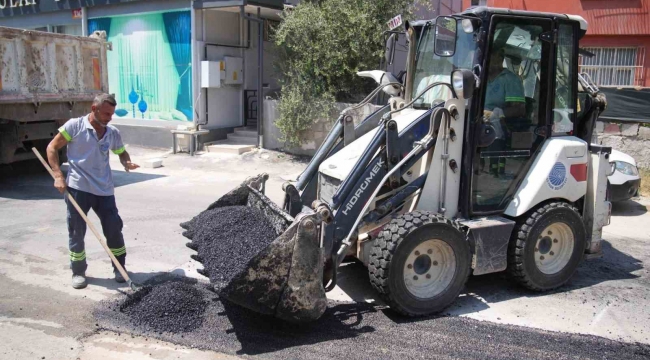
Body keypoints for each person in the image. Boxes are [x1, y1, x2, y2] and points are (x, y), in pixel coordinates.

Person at [46, 93, 139, 289]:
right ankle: (78, 271)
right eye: (106, 113)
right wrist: (58, 175)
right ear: (94, 109)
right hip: (78, 188)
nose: (109, 117)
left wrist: (126, 162)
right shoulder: (75, 126)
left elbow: (121, 152)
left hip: (104, 190)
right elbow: (52, 147)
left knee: (114, 230)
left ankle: (119, 268)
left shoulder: (112, 132)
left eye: (112, 114)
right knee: (76, 231)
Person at [482, 47, 526, 176]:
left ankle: (494, 169)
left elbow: (519, 109)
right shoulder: (480, 77)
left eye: (490, 57)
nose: (486, 61)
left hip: (498, 124)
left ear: (499, 59)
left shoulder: (510, 79)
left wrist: (496, 113)